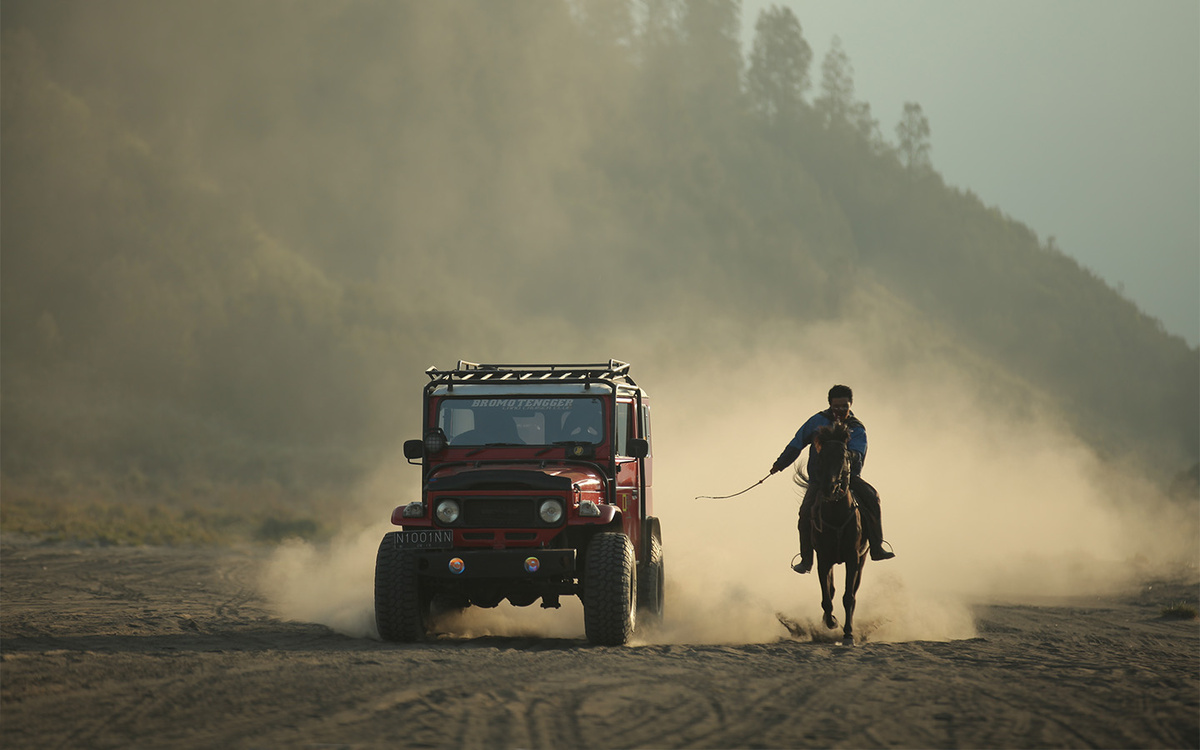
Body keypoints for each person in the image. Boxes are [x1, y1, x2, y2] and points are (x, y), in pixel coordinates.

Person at [770, 384, 895, 573]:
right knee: (805, 512)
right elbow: (797, 443)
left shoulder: (856, 428)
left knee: (873, 497)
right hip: (819, 481)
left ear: (850, 405)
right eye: (837, 407)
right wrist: (780, 464)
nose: (840, 411)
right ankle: (806, 560)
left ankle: (876, 547)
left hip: (848, 478)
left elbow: (859, 453)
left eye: (845, 407)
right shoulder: (817, 421)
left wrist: (847, 456)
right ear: (830, 405)